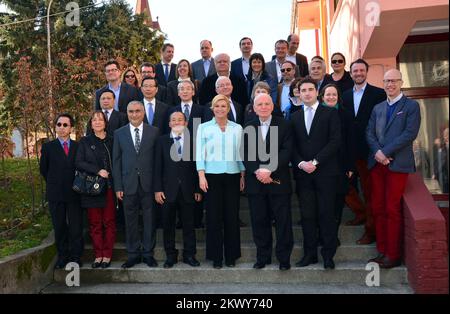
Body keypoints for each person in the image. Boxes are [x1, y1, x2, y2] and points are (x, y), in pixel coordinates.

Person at [366, 69, 421, 268]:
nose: (390, 84)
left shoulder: (411, 106)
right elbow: (369, 133)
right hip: (377, 164)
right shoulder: (378, 108)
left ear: (401, 82)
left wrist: (386, 152)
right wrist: (378, 153)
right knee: (378, 208)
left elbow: (409, 133)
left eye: (393, 81)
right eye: (386, 81)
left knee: (392, 208)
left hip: (397, 164)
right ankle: (381, 251)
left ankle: (393, 254)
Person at [291, 78, 341, 270]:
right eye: (303, 90)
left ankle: (328, 255)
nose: (307, 93)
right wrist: (301, 163)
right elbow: (291, 144)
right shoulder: (294, 117)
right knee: (308, 216)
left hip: (326, 173)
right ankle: (309, 254)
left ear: (316, 91)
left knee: (326, 214)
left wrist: (315, 161)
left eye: (310, 89)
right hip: (304, 175)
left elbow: (335, 141)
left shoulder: (329, 113)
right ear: (299, 93)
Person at [243, 93, 294, 271]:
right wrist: (258, 171)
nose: (263, 107)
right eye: (260, 104)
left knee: (283, 221)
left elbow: (287, 151)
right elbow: (245, 153)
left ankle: (284, 258)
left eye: (267, 104)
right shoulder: (248, 127)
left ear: (272, 106)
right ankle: (262, 257)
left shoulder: (284, 124)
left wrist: (269, 169)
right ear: (254, 108)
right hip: (256, 182)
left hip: (278, 180)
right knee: (259, 221)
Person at [196, 94, 245, 269]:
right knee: (214, 217)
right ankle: (216, 256)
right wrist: (201, 176)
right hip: (211, 177)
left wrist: (242, 175)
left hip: (232, 175)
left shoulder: (237, 128)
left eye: (223, 106)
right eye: (217, 106)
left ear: (228, 109)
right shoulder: (203, 128)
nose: (220, 109)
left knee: (231, 217)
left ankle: (231, 256)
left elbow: (240, 153)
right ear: (212, 108)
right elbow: (199, 154)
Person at [342, 59, 386, 245]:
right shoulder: (343, 95)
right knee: (344, 187)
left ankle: (371, 231)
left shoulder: (378, 93)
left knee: (370, 193)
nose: (358, 73)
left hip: (370, 151)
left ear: (366, 72)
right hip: (348, 150)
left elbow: (382, 123)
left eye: (361, 70)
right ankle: (360, 213)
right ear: (350, 74)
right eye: (355, 71)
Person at [113, 101, 160, 269]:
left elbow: (157, 161)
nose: (134, 114)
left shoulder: (154, 131)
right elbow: (116, 162)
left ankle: (148, 254)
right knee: (130, 221)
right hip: (128, 184)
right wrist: (118, 186)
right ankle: (132, 254)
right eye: (131, 111)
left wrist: (157, 186)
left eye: (138, 111)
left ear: (143, 113)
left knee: (149, 220)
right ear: (127, 113)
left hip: (148, 185)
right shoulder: (119, 133)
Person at [154, 111, 202, 268]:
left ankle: (190, 255)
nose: (176, 122)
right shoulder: (161, 141)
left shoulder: (194, 141)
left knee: (189, 225)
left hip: (188, 190)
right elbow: (157, 167)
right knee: (168, 225)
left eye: (180, 119)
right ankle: (170, 256)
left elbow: (197, 167)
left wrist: (197, 189)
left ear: (186, 123)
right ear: (169, 124)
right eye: (173, 120)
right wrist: (158, 189)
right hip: (167, 191)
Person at [39, 113, 82, 269]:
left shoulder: (78, 146)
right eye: (59, 124)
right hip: (56, 193)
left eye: (65, 125)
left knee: (76, 227)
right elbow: (44, 169)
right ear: (55, 127)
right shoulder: (48, 147)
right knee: (59, 226)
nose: (62, 127)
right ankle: (63, 256)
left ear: (71, 128)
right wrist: (55, 182)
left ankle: (76, 256)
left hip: (74, 193)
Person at [76, 111, 115, 269]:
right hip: (91, 188)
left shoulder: (112, 140)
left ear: (105, 122)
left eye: (101, 119)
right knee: (95, 224)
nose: (98, 122)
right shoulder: (85, 141)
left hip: (110, 188)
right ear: (90, 124)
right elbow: (79, 162)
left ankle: (107, 255)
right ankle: (98, 255)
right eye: (94, 120)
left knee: (109, 222)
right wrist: (97, 170)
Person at [319, 83, 356, 246]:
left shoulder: (346, 115)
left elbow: (350, 141)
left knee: (337, 202)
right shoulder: (316, 114)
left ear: (338, 97)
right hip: (320, 166)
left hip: (340, 165)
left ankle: (333, 235)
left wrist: (349, 166)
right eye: (328, 95)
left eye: (334, 95)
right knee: (322, 204)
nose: (331, 97)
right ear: (322, 96)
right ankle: (323, 235)